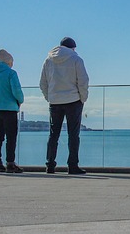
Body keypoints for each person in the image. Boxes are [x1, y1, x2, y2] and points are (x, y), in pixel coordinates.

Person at [40, 37, 89, 174]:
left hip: (54, 101)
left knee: (53, 134)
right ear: (73, 48)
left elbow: (42, 82)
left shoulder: (48, 60)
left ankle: (50, 165)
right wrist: (82, 98)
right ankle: (72, 166)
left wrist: (49, 97)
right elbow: (83, 81)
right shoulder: (76, 59)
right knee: (73, 135)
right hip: (73, 100)